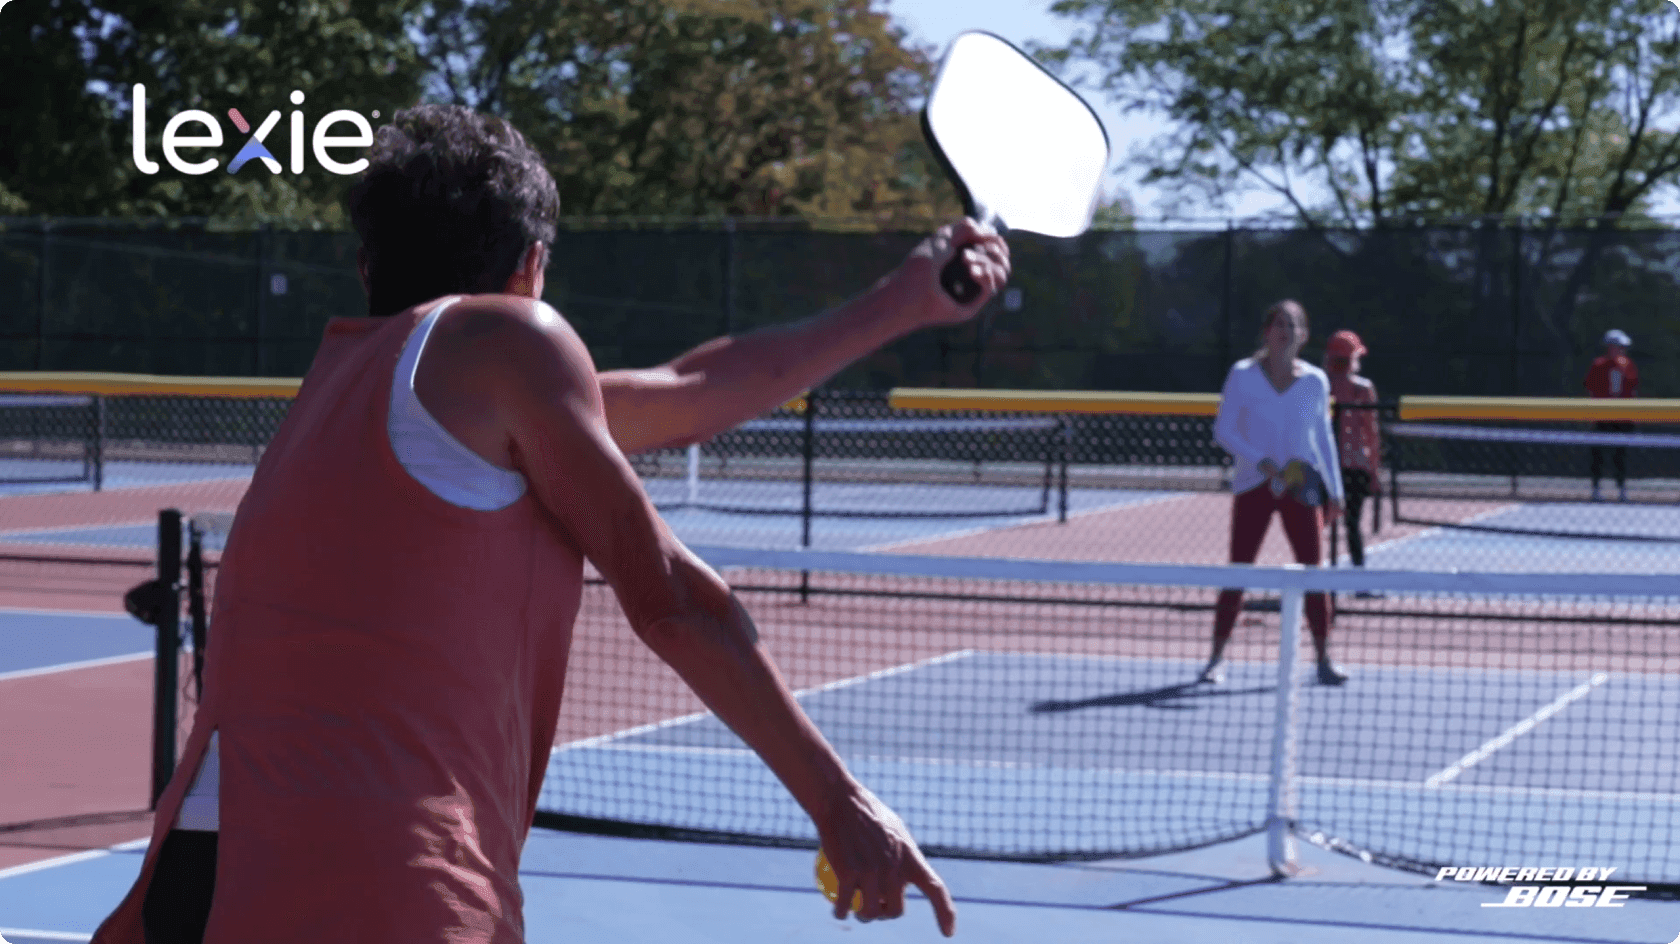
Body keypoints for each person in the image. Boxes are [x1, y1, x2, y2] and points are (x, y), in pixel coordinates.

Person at [94, 105, 1006, 944]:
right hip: (382, 876)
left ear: (369, 264)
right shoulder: (507, 344)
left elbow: (692, 392)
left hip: (200, 875)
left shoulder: (359, 386)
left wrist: (905, 300)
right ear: (531, 264)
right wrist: (841, 802)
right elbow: (677, 600)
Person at [1200, 300, 1348, 688]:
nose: (1285, 331)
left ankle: (1323, 658)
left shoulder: (1315, 381)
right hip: (1255, 484)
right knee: (1239, 570)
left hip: (1302, 487)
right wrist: (1261, 461)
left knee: (1314, 574)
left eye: (1293, 325)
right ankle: (1215, 659)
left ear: (1303, 335)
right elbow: (1224, 431)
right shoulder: (1243, 375)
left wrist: (1335, 490)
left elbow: (1323, 437)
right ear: (1266, 331)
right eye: (1279, 324)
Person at [1323, 330, 1382, 592]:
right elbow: (1372, 434)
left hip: (1327, 465)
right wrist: (1374, 469)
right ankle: (1359, 581)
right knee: (1352, 525)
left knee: (1322, 523)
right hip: (1355, 466)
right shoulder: (1362, 389)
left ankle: (1318, 582)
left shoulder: (1321, 384)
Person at [1584, 328, 1639, 502]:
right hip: (1602, 416)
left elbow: (1632, 389)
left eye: (1622, 347)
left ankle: (1622, 490)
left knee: (1620, 454)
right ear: (1609, 347)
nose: (1620, 350)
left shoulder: (1628, 365)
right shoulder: (1599, 364)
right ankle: (1596, 489)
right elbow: (1591, 388)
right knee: (1598, 454)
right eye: (1616, 346)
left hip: (1622, 418)